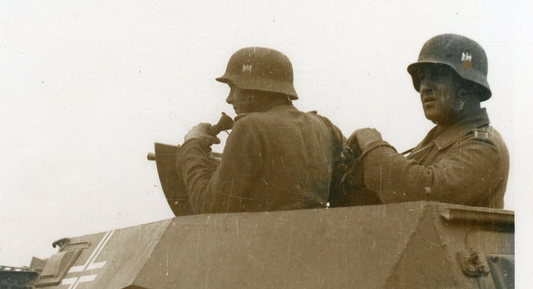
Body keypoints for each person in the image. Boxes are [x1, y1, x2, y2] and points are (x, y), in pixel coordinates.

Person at [176, 47, 349, 214]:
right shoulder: (326, 127)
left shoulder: (249, 127)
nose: (229, 99)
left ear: (252, 89)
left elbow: (211, 209)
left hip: (264, 234)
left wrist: (192, 145)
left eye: (233, 88)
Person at [347, 34, 509, 208]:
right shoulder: (434, 144)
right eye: (423, 77)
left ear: (468, 86)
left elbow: (425, 191)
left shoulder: (485, 145)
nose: (425, 86)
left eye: (437, 75)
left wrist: (373, 146)